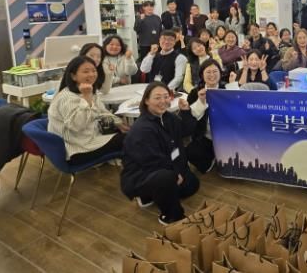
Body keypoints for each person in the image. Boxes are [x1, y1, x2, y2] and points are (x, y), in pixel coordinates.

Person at [120, 82, 200, 225]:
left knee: (191, 185)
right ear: (146, 100)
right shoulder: (142, 129)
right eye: (157, 98)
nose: (163, 101)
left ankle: (149, 196)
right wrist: (175, 173)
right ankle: (170, 216)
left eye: (166, 96)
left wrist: (185, 111)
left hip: (165, 165)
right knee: (168, 178)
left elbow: (186, 130)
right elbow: (151, 161)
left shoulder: (168, 117)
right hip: (142, 174)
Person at [48, 56, 127, 164]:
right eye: (86, 71)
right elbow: (77, 126)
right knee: (132, 139)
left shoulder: (87, 90)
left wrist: (118, 123)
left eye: (94, 70)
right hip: (77, 150)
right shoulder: (67, 97)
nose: (91, 74)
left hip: (88, 139)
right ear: (73, 76)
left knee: (132, 133)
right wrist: (87, 97)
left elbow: (101, 111)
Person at [186, 59, 226, 173]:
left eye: (215, 71)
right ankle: (210, 160)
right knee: (190, 152)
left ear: (220, 73)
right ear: (202, 75)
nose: (212, 75)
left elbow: (239, 107)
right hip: (205, 137)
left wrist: (233, 85)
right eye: (208, 72)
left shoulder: (227, 89)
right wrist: (201, 101)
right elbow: (192, 117)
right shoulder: (195, 93)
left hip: (226, 137)